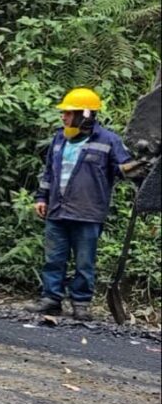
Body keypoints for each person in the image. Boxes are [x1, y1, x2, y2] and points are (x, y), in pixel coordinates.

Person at [25, 88, 132, 321]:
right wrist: (41, 198)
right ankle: (51, 299)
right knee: (54, 258)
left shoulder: (108, 141)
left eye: (68, 113)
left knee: (85, 262)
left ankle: (81, 303)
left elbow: (125, 169)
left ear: (85, 115)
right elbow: (49, 173)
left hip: (88, 213)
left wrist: (136, 166)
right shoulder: (59, 138)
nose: (63, 117)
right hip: (57, 210)